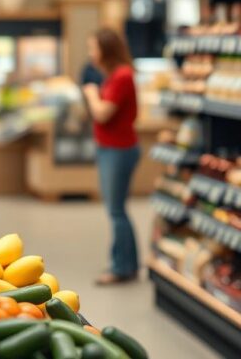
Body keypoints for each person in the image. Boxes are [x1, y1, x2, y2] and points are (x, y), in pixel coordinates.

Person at [82, 27, 140, 286]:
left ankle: (121, 267)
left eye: (93, 48)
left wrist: (91, 93)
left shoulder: (122, 76)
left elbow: (103, 113)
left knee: (116, 211)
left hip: (119, 150)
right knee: (117, 210)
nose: (91, 54)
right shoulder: (116, 75)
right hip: (111, 149)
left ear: (106, 49)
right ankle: (127, 264)